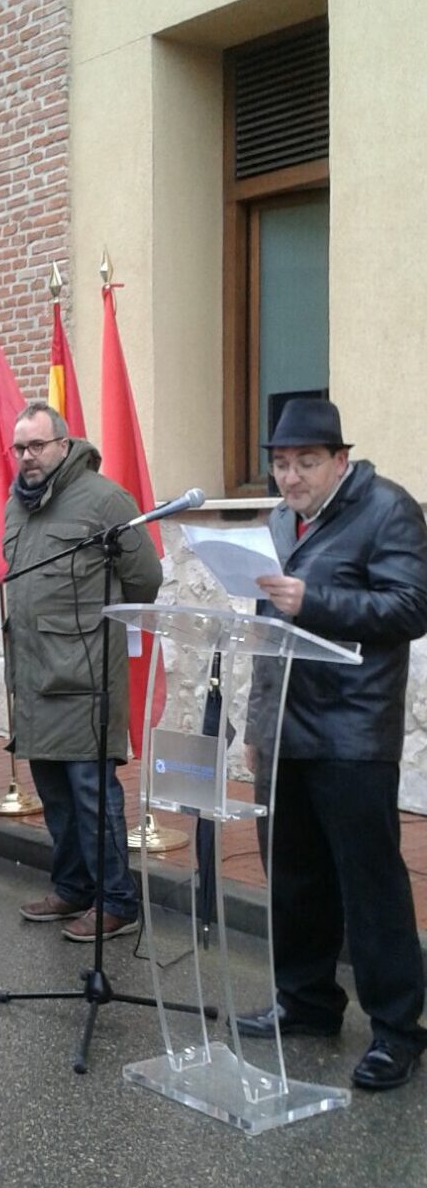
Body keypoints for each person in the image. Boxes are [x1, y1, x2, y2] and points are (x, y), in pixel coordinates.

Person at [240, 397, 427, 1090]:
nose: (290, 478)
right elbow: (265, 631)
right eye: (281, 464)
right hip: (286, 729)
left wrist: (311, 601)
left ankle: (398, 1029)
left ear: (341, 461)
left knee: (370, 886)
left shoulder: (388, 509)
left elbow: (412, 606)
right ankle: (308, 1000)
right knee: (292, 878)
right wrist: (258, 732)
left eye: (306, 463)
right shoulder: (277, 520)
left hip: (352, 731)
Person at [3, 403, 162, 942]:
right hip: (34, 675)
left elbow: (145, 578)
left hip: (85, 675)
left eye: (37, 446)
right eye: (19, 447)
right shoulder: (17, 504)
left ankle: (117, 900)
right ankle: (72, 886)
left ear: (64, 446)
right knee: (54, 793)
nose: (27, 457)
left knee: (92, 792)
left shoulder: (105, 499)